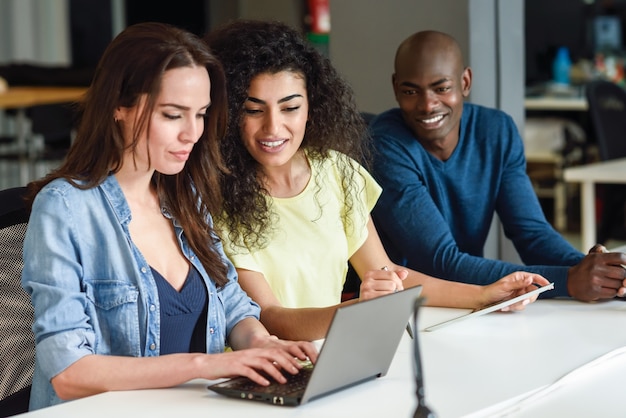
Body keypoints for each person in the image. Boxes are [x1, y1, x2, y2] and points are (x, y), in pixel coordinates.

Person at [20, 22, 317, 411]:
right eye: (173, 115)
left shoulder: (183, 195)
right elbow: (70, 372)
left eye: (201, 114)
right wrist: (207, 365)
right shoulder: (65, 209)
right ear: (119, 107)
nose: (192, 134)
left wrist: (262, 346)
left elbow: (232, 305)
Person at [204, 20, 549, 342]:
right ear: (231, 110)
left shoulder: (337, 171)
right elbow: (270, 318)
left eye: (290, 108)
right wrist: (359, 311)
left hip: (329, 357)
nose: (273, 128)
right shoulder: (220, 193)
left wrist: (485, 295)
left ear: (312, 106)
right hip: (262, 367)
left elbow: (391, 274)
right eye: (253, 110)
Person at [369, 30, 626, 303]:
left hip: (471, 303)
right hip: (406, 306)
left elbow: (532, 233)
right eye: (411, 91)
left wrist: (596, 272)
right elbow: (440, 262)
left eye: (441, 88)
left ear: (465, 82)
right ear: (396, 87)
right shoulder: (384, 145)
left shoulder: (496, 131)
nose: (427, 105)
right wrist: (568, 280)